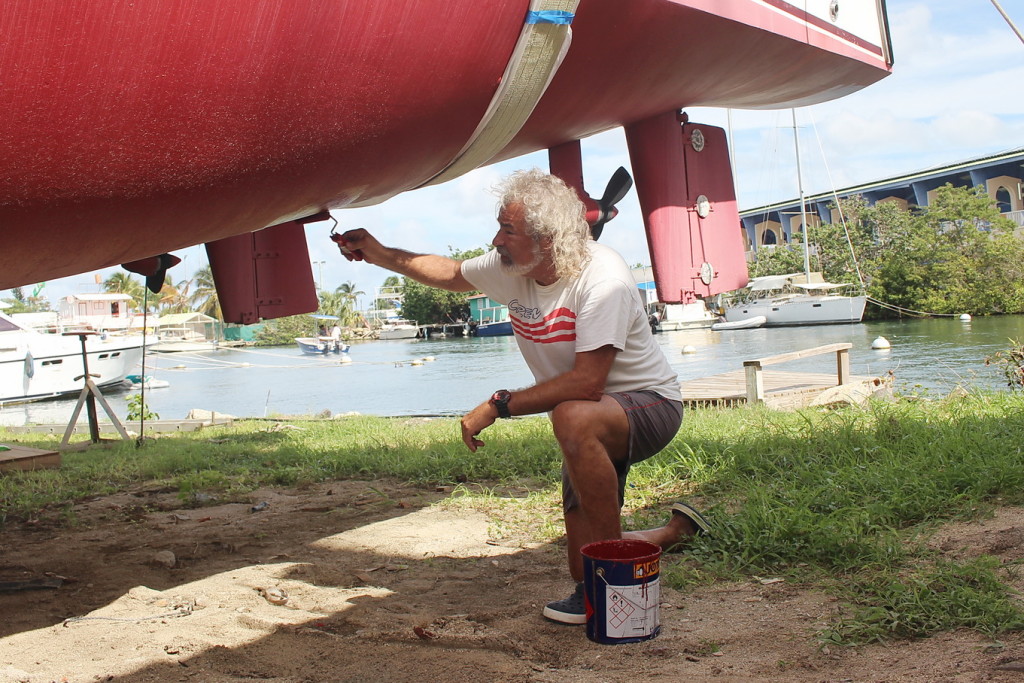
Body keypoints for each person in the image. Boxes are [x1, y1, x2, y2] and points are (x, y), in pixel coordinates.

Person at [337, 169, 710, 624]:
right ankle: (671, 533)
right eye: (499, 226)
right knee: (579, 563)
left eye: (507, 230)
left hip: (649, 403)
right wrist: (378, 253)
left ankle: (613, 575)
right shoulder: (514, 265)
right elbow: (453, 273)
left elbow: (587, 382)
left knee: (573, 415)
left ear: (548, 239)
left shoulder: (603, 278)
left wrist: (498, 405)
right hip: (587, 415)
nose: (496, 240)